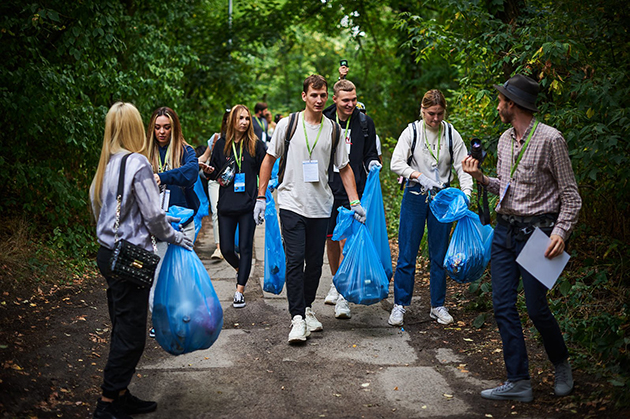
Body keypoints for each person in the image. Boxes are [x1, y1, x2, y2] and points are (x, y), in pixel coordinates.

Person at [462, 74, 582, 402]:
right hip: (504, 230)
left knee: (536, 308)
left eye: (501, 100)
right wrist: (481, 178)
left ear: (512, 104)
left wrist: (561, 232)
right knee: (502, 305)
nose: (498, 105)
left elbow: (571, 196)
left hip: (540, 233)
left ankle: (561, 364)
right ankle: (518, 380)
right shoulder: (503, 140)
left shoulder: (551, 140)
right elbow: (507, 186)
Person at [89, 102, 193, 419]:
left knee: (123, 326)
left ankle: (120, 395)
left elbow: (97, 208)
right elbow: (154, 216)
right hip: (131, 258)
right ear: (136, 127)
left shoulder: (107, 163)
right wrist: (176, 237)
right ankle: (107, 403)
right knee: (131, 336)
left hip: (108, 255)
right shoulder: (137, 163)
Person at [253, 74, 366, 344]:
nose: (318, 99)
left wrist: (355, 202)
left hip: (321, 206)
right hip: (291, 203)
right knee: (295, 260)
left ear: (328, 97)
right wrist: (260, 196)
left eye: (323, 95)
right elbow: (269, 159)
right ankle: (296, 319)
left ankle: (306, 309)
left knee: (315, 264)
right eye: (313, 95)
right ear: (304, 96)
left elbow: (345, 167)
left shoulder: (333, 130)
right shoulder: (287, 125)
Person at [389, 89, 473, 327]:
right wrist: (417, 175)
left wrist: (465, 194)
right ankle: (400, 305)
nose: (435, 119)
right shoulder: (413, 131)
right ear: (422, 111)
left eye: (439, 114)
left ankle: (438, 305)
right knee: (407, 252)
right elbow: (396, 163)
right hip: (416, 194)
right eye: (430, 114)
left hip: (443, 198)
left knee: (439, 254)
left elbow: (462, 165)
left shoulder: (451, 134)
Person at [322, 78, 380, 319]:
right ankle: (337, 281)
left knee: (348, 239)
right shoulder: (323, 120)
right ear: (335, 99)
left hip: (354, 190)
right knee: (331, 239)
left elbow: (370, 153)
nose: (351, 104)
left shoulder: (365, 123)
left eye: (354, 100)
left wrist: (373, 163)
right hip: (326, 189)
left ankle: (345, 295)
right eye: (346, 100)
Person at [145, 107, 199, 331]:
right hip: (156, 225)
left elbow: (191, 172)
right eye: (157, 127)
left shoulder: (186, 151)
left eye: (167, 127)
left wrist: (162, 176)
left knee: (182, 275)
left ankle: (181, 316)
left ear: (174, 128)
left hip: (183, 224)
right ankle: (160, 319)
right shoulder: (144, 153)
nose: (162, 132)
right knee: (156, 275)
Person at [207, 105, 266, 308]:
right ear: (232, 120)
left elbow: (265, 170)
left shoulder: (255, 145)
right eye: (240, 118)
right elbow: (214, 173)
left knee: (246, 247)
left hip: (248, 205)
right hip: (226, 205)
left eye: (247, 119)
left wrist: (262, 197)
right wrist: (208, 170)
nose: (244, 122)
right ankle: (242, 269)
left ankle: (239, 290)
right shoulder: (221, 144)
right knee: (226, 248)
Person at [199, 108, 231, 260]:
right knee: (217, 211)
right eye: (227, 119)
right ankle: (219, 247)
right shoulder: (216, 138)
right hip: (215, 181)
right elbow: (205, 157)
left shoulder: (243, 139)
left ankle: (230, 242)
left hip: (233, 183)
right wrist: (190, 163)